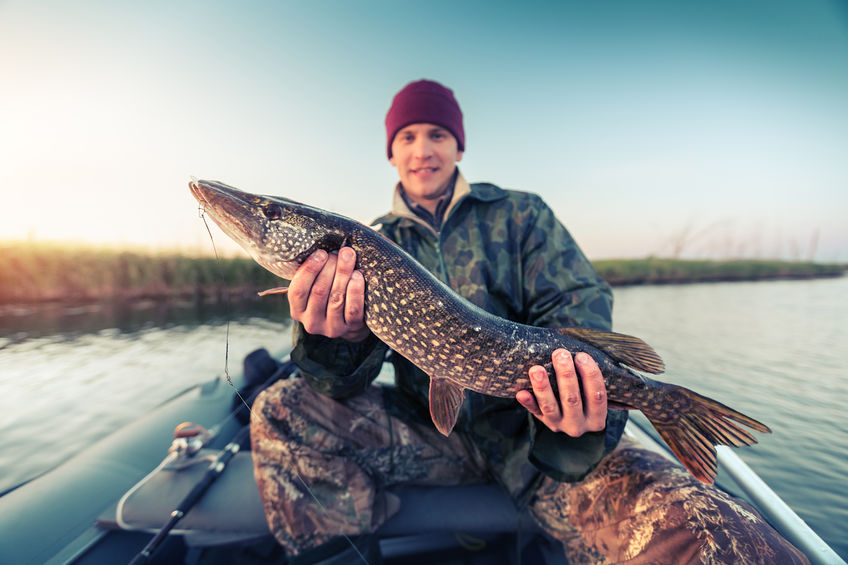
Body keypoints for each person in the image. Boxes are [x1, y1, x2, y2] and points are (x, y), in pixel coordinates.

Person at [250, 79, 810, 564]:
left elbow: (576, 307)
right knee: (278, 410)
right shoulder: (373, 244)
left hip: (539, 447)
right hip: (429, 435)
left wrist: (581, 420)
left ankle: (659, 415)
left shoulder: (521, 216)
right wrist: (333, 340)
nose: (423, 149)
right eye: (407, 137)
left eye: (437, 134)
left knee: (715, 533)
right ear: (391, 154)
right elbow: (339, 387)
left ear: (458, 145)